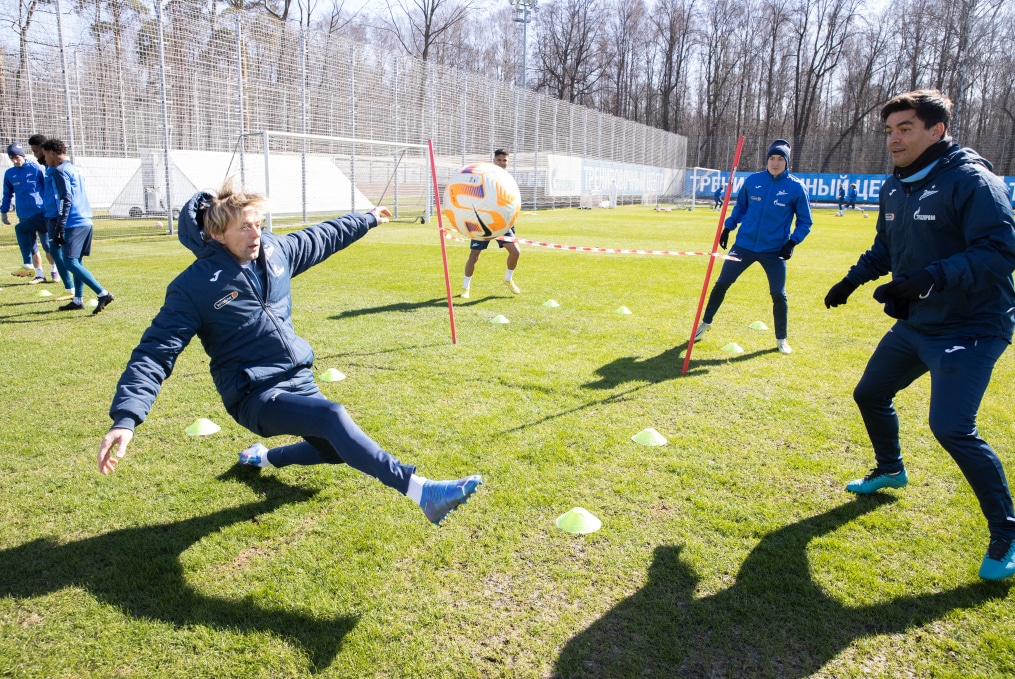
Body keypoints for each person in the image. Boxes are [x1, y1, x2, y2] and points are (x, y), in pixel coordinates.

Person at [97, 181, 482, 525]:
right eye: (245, 227)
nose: (256, 234)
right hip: (254, 394)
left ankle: (260, 458)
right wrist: (126, 418)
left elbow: (322, 236)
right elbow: (154, 353)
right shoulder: (192, 287)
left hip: (298, 377)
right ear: (216, 234)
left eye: (258, 224)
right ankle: (423, 492)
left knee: (334, 450)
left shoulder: (275, 251)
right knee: (332, 415)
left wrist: (366, 218)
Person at [824, 89, 1015, 581]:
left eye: (905, 128)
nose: (894, 139)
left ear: (937, 131)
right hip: (918, 324)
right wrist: (852, 280)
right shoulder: (896, 187)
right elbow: (886, 248)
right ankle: (891, 469)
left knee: (951, 427)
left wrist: (932, 276)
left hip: (972, 327)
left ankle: (1008, 530)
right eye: (889, 130)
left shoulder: (972, 181)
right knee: (869, 392)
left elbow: (1001, 251)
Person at [694, 139, 813, 354]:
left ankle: (781, 339)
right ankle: (705, 324)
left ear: (786, 162)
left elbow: (805, 221)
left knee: (778, 293)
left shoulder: (796, 187)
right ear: (766, 159)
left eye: (780, 159)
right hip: (744, 245)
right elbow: (740, 209)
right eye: (771, 158)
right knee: (721, 283)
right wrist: (728, 228)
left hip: (774, 250)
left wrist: (792, 242)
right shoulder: (753, 181)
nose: (775, 163)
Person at [42, 138, 115, 313]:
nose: (45, 160)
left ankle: (102, 293)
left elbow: (65, 198)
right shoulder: (75, 169)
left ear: (52, 152)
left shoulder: (59, 171)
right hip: (86, 220)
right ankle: (77, 300)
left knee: (69, 262)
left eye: (45, 155)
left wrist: (60, 224)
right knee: (77, 261)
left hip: (73, 222)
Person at [461, 149, 521, 299]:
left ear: (508, 162)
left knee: (515, 252)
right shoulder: (486, 176)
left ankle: (508, 280)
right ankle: (465, 288)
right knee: (474, 255)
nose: (502, 163)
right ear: (493, 160)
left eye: (505, 161)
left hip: (502, 223)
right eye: (499, 160)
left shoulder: (508, 179)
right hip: (483, 222)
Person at [2, 142, 59, 284]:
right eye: (11, 158)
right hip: (23, 214)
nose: (15, 161)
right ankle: (39, 274)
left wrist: (49, 206)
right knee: (31, 245)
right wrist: (4, 211)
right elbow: (7, 194)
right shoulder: (9, 174)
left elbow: (47, 188)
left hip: (40, 212)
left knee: (47, 245)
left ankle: (54, 270)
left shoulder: (36, 168)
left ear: (22, 155)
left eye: (16, 157)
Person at [29, 135, 74, 299]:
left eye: (37, 152)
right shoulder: (48, 169)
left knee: (66, 255)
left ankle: (72, 289)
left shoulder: (57, 170)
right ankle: (70, 289)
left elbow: (64, 196)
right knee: (23, 229)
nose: (35, 155)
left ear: (46, 151)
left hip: (56, 216)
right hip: (48, 214)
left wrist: (60, 220)